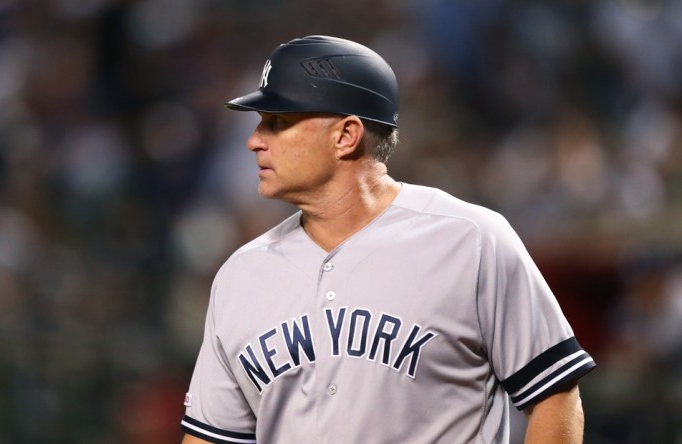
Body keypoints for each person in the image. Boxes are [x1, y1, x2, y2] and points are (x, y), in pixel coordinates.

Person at [180, 35, 595, 443]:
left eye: (278, 123)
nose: (254, 140)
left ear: (345, 135)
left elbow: (554, 397)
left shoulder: (470, 239)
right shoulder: (240, 275)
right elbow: (211, 438)